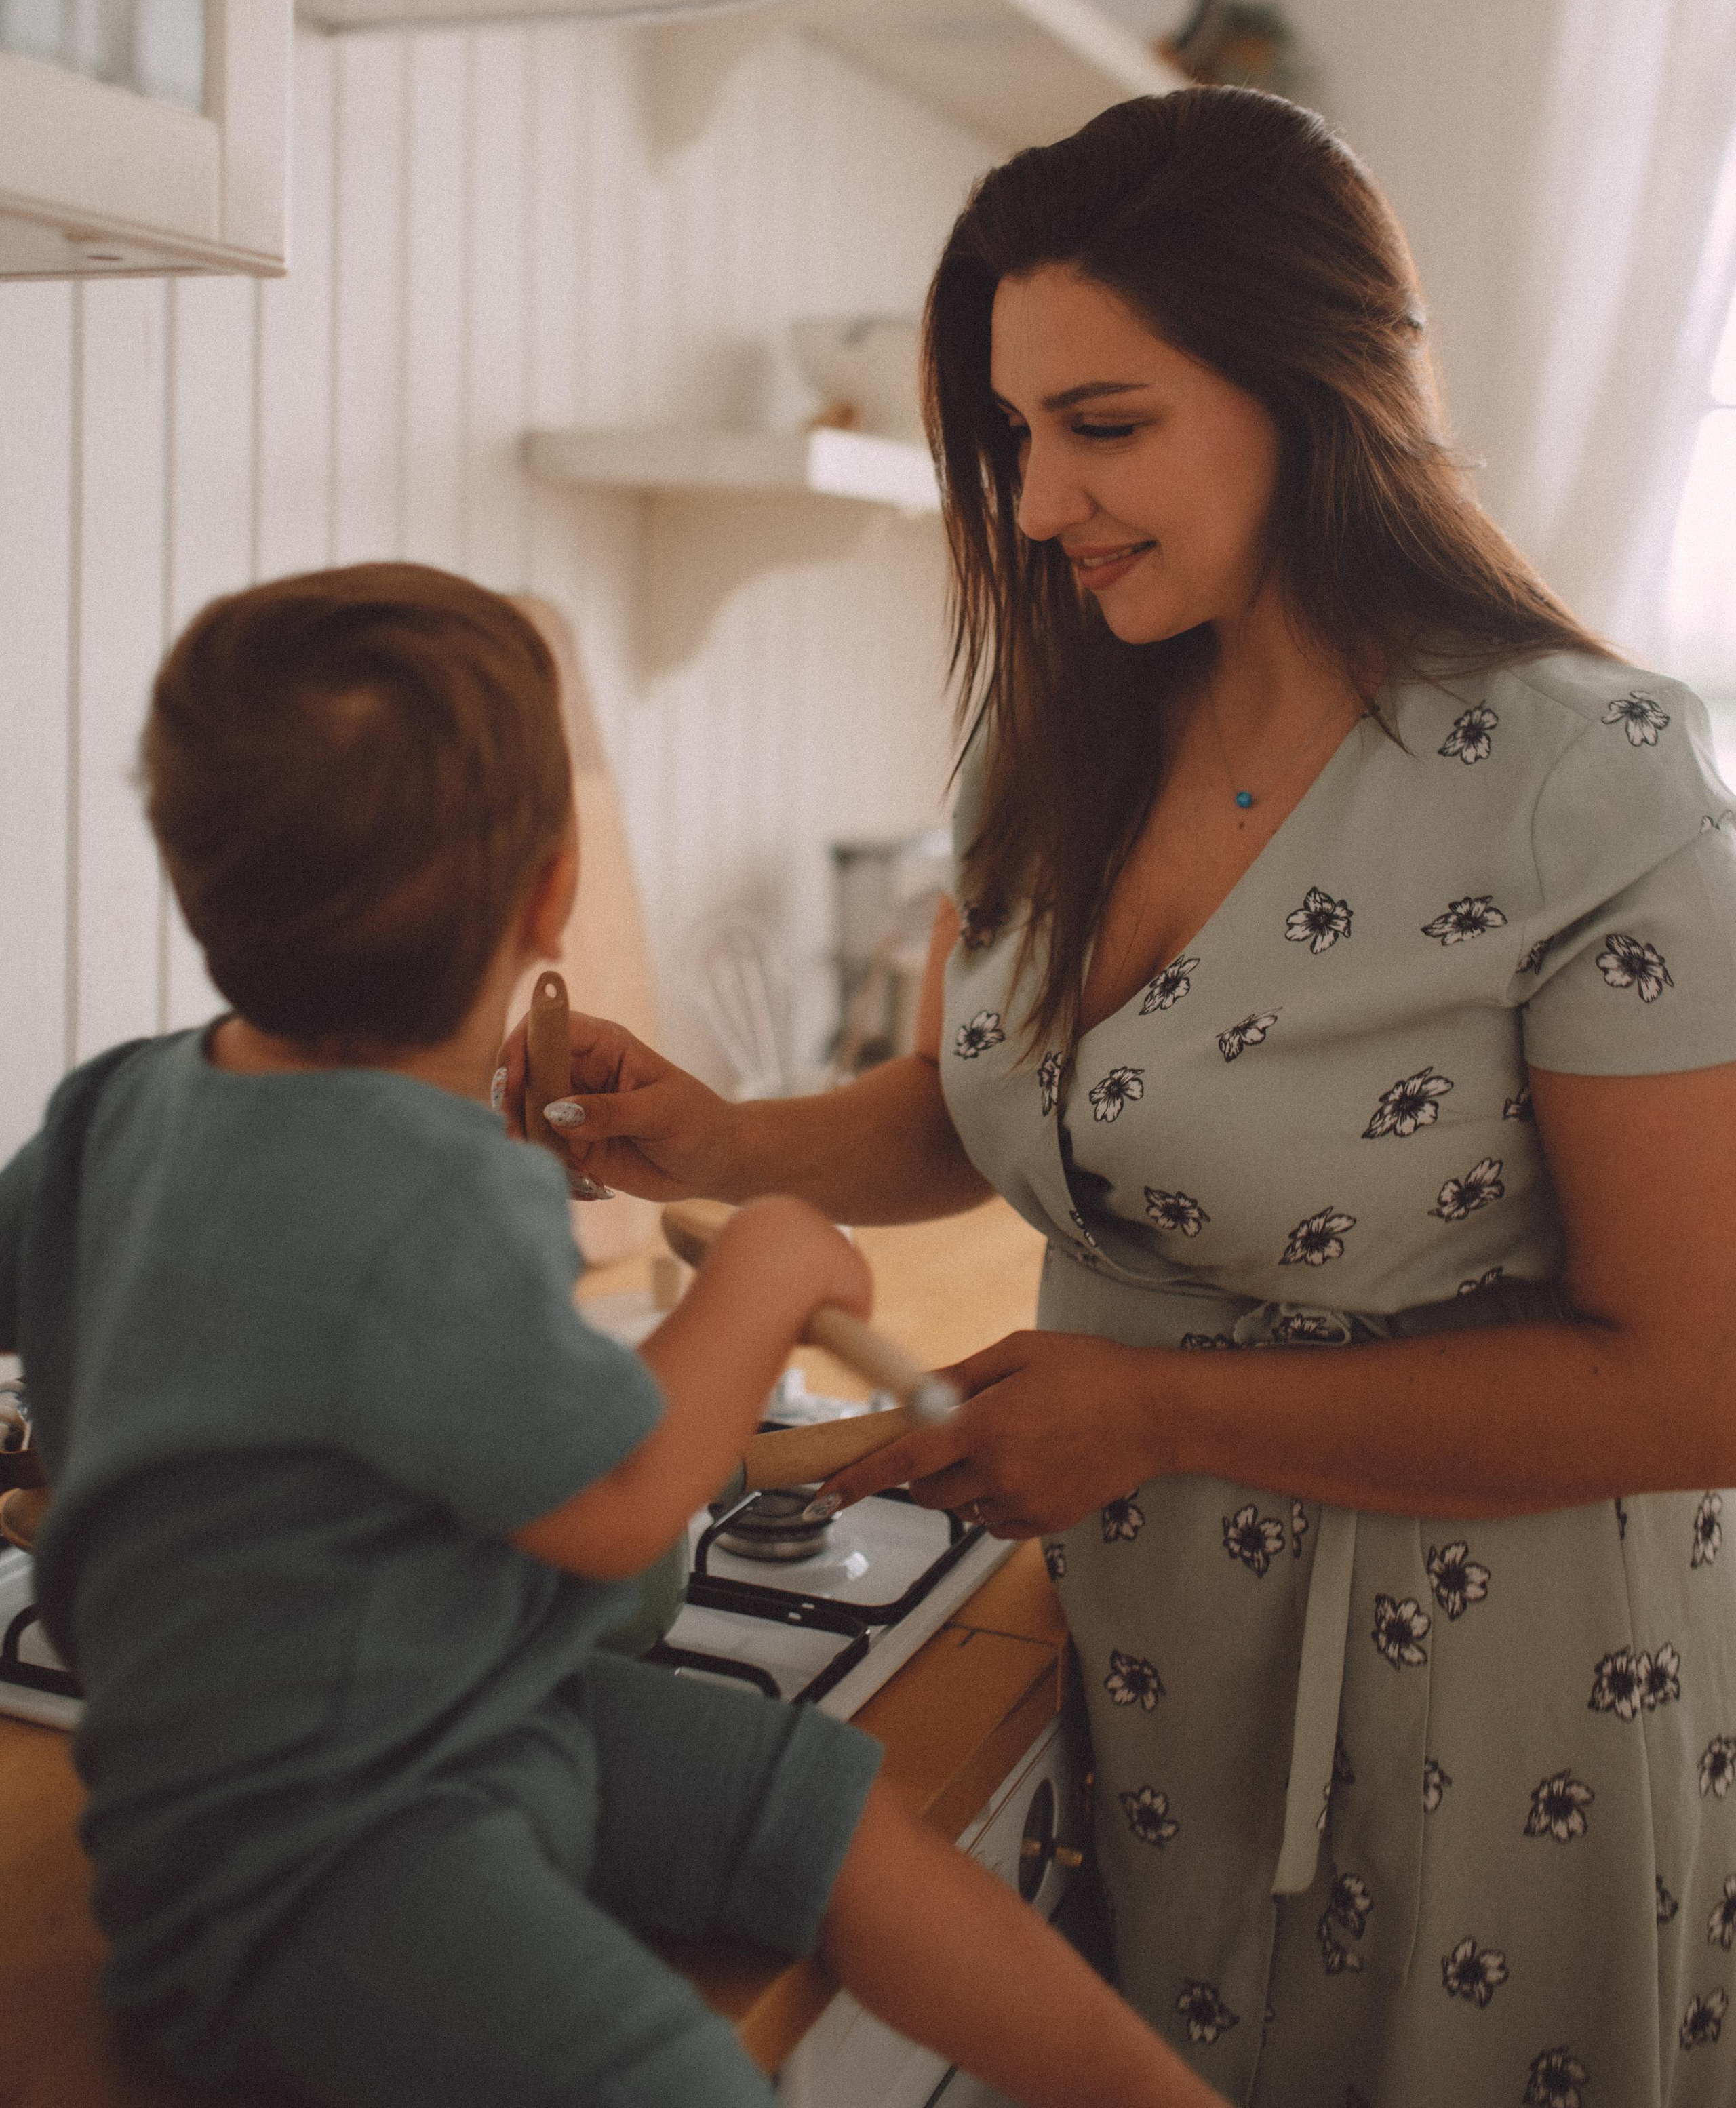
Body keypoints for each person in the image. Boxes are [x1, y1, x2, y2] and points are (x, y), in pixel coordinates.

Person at [507, 91, 1736, 2108]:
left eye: (1105, 424)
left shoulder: (1578, 779)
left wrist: (1156, 1408)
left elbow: (1702, 1380)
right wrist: (719, 1143)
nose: (1037, 498)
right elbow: (1007, 1102)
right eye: (1013, 432)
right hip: (1163, 1662)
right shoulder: (1069, 723)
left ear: (1315, 389)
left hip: (1490, 1717)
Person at [0, 562, 1215, 2108]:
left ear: (189, 870)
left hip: (465, 1704)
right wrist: (763, 1268)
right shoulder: (432, 1190)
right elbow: (623, 1503)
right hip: (310, 1858)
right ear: (550, 892)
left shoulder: (113, 1108)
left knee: (812, 1815)